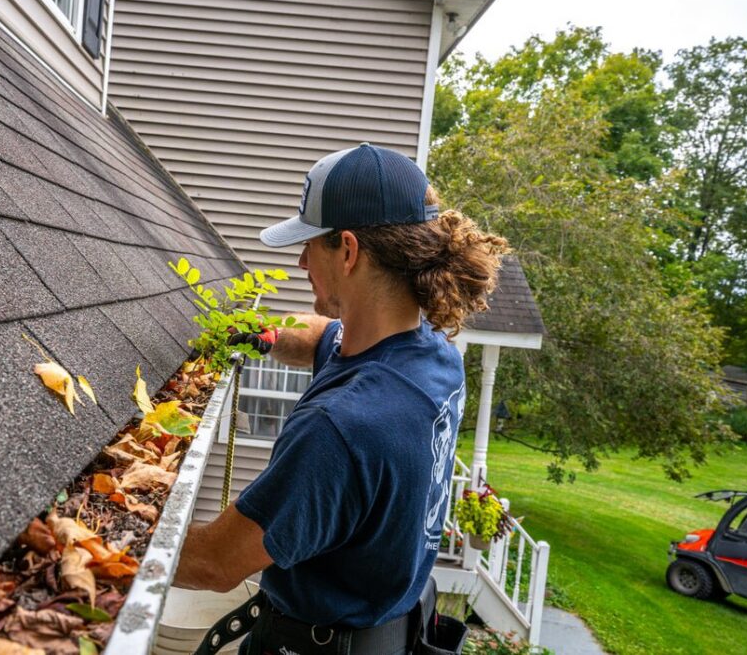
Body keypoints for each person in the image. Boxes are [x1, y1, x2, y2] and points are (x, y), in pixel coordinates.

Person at [173, 143, 508, 654]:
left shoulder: (342, 426)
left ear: (348, 250)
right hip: (392, 632)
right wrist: (258, 333)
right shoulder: (433, 357)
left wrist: (109, 544)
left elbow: (213, 563)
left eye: (312, 245)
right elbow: (322, 335)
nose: (303, 260)